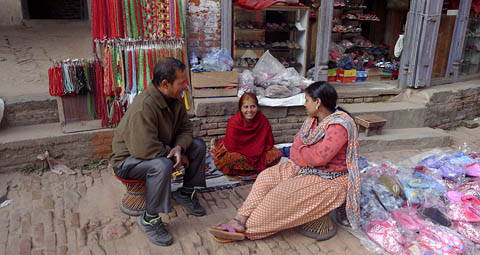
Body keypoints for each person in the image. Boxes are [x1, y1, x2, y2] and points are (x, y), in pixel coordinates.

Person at [208, 81, 361, 242]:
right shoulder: (312, 120)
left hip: (330, 179)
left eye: (307, 100)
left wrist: (303, 151)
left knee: (278, 196)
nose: (304, 104)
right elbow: (295, 150)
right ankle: (240, 219)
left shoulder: (340, 125)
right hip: (304, 168)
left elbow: (316, 157)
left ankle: (248, 229)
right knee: (266, 176)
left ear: (318, 103)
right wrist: (304, 154)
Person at [110, 57, 207, 246]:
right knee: (162, 164)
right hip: (128, 161)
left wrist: (179, 148)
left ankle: (186, 193)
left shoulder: (175, 100)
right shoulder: (145, 106)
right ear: (165, 84)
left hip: (155, 152)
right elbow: (143, 149)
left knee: (198, 146)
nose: (185, 86)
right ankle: (149, 218)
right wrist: (174, 154)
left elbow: (186, 130)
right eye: (181, 83)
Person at [212, 92, 282, 176]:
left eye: (253, 106)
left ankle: (246, 170)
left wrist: (256, 152)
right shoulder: (234, 122)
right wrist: (250, 154)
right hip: (241, 153)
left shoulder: (262, 120)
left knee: (277, 154)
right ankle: (253, 169)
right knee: (230, 160)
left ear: (257, 107)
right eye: (246, 107)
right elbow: (231, 147)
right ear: (240, 108)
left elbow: (269, 143)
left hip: (258, 153)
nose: (249, 111)